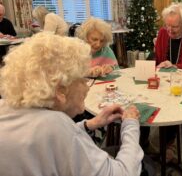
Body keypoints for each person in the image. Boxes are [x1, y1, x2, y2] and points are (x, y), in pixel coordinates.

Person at [0, 32, 143, 176]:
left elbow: (51, 143)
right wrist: (130, 124)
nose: (87, 86)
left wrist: (89, 124)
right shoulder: (53, 123)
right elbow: (124, 173)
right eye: (82, 79)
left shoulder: (6, 107)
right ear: (60, 90)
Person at [155, 3, 182, 71]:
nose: (170, 30)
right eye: (167, 25)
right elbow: (156, 57)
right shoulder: (162, 32)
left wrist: (174, 66)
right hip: (163, 77)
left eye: (174, 27)